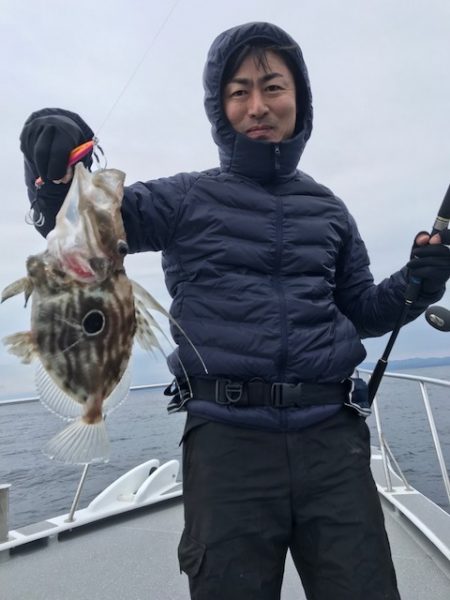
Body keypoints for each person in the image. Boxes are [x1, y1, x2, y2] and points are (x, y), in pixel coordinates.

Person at [19, 21, 450, 600]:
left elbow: (362, 311)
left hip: (333, 443)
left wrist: (418, 285)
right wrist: (51, 164)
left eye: (273, 87)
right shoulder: (182, 197)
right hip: (226, 444)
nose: (258, 105)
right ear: (220, 107)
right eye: (239, 90)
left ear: (299, 98)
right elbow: (81, 228)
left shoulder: (330, 210)